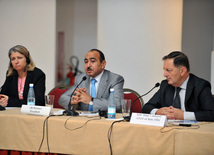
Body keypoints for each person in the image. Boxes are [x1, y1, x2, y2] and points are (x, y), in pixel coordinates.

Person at [142, 51, 214, 121]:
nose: (164, 74)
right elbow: (146, 108)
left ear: (182, 71)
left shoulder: (200, 86)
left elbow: (211, 113)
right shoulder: (165, 85)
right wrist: (158, 112)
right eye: (164, 70)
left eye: (168, 70)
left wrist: (183, 115)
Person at [59, 49, 124, 112]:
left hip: (106, 120)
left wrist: (91, 100)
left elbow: (117, 104)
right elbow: (62, 98)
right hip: (84, 120)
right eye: (86, 62)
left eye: (93, 61)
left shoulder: (115, 79)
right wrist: (73, 100)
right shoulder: (81, 78)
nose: (88, 65)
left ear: (103, 64)